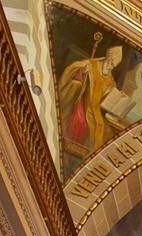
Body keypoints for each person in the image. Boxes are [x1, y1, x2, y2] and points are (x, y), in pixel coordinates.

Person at [56, 36, 125, 165]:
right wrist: (82, 73)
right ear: (108, 57)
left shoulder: (110, 80)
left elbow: (107, 97)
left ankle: (89, 160)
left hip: (97, 109)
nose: (111, 67)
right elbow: (73, 72)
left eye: (114, 65)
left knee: (106, 130)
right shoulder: (91, 65)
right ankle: (68, 150)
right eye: (111, 63)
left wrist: (115, 98)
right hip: (83, 101)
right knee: (81, 122)